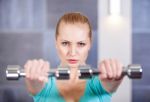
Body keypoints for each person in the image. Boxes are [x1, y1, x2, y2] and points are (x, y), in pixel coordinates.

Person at [24, 12, 123, 102]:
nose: (72, 53)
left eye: (81, 44)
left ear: (89, 44)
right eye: (65, 43)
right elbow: (34, 86)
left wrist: (114, 76)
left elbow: (111, 84)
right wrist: (32, 77)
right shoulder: (43, 84)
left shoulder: (100, 83)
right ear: (56, 43)